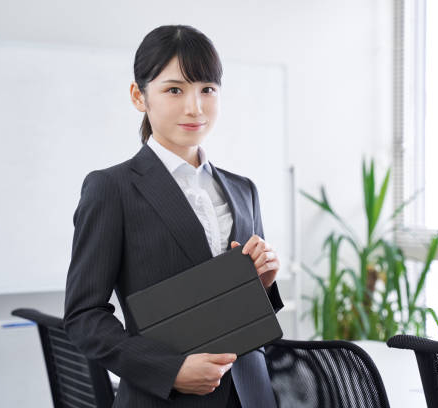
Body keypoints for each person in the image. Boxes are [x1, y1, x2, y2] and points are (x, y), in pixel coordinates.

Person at [63, 25, 284, 408]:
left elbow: (239, 313)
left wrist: (261, 284)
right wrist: (170, 369)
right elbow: (84, 317)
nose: (194, 107)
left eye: (207, 89)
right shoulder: (111, 188)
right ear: (139, 95)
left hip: (250, 396)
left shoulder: (243, 189)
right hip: (164, 398)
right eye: (174, 89)